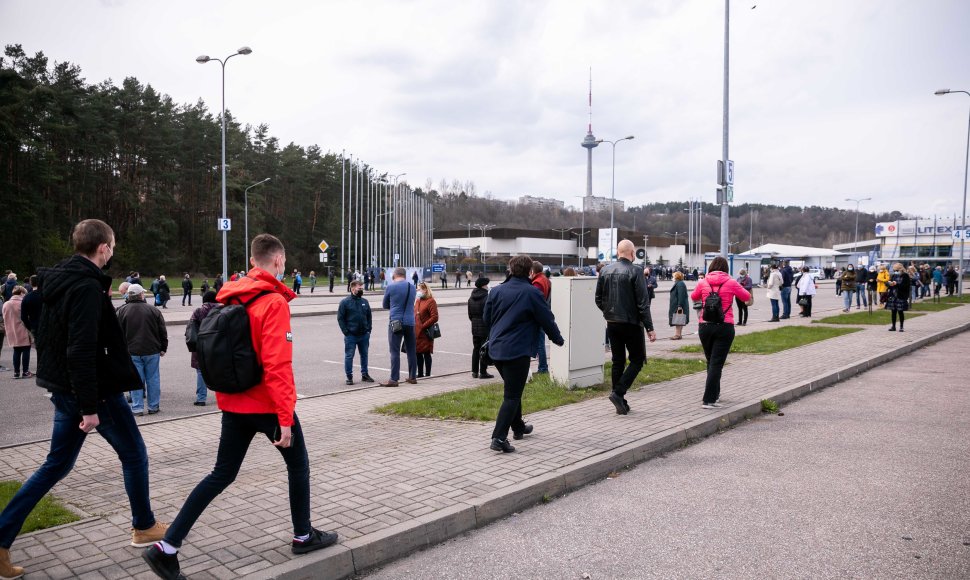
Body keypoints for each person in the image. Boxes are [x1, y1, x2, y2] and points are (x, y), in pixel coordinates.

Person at [142, 233, 337, 579]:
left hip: (233, 404)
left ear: (252, 262)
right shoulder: (272, 303)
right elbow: (277, 366)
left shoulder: (229, 296)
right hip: (266, 404)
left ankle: (167, 547)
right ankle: (303, 536)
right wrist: (285, 419)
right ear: (278, 262)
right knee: (299, 467)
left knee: (221, 474)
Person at [0, 220, 167, 580]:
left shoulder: (57, 280)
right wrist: (90, 408)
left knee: (56, 465)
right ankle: (144, 525)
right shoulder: (86, 288)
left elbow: (40, 321)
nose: (113, 252)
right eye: (113, 246)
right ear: (103, 248)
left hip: (64, 388)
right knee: (134, 454)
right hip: (92, 394)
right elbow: (81, 348)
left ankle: (1, 538)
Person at [483, 255, 564, 453]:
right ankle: (498, 438)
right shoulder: (531, 292)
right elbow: (547, 319)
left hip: (496, 350)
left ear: (510, 269)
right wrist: (558, 339)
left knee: (513, 389)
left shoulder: (496, 290)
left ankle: (518, 427)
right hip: (516, 351)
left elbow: (487, 318)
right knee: (511, 395)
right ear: (530, 271)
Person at [595, 239, 657, 415]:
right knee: (637, 360)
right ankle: (618, 393)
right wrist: (650, 328)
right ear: (632, 253)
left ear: (618, 252)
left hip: (612, 323)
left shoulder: (605, 270)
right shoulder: (636, 271)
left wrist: (608, 312)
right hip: (631, 323)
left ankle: (619, 401)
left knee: (618, 361)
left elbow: (598, 298)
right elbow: (643, 303)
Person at [690, 256, 751, 409]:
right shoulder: (731, 282)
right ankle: (708, 399)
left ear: (711, 267)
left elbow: (693, 296)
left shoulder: (703, 282)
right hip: (724, 326)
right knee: (716, 364)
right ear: (726, 268)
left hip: (705, 326)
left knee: (711, 362)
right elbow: (746, 297)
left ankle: (715, 395)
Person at [117, 283, 168, 415]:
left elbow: (117, 334)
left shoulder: (122, 311)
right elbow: (162, 331)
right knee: (153, 379)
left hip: (132, 351)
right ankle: (153, 406)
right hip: (152, 350)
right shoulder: (154, 310)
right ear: (140, 295)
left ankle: (137, 407)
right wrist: (163, 347)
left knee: (135, 380)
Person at [380, 267, 417, 387]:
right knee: (411, 350)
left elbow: (385, 305)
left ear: (394, 275)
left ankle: (394, 379)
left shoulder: (391, 287)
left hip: (396, 322)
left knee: (394, 351)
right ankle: (412, 377)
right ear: (404, 275)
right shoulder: (412, 287)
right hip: (410, 322)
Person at [337, 280, 373, 385]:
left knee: (364, 355)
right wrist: (346, 332)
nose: (361, 290)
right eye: (359, 288)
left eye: (362, 288)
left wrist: (368, 330)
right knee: (349, 356)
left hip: (364, 335)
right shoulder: (345, 302)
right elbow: (340, 318)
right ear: (353, 289)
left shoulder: (365, 302)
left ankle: (365, 374)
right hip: (351, 335)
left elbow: (369, 316)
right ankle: (349, 376)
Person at [188, 291, 220, 405]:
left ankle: (201, 398)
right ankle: (221, 396)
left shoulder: (198, 311)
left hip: (201, 345)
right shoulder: (221, 311)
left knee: (201, 372)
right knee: (218, 371)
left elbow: (190, 328)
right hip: (217, 345)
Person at [468, 277, 494, 379]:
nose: (488, 286)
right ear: (484, 285)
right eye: (487, 285)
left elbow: (470, 314)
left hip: (474, 326)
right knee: (484, 348)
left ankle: (474, 371)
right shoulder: (486, 297)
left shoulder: (471, 298)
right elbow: (489, 314)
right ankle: (483, 372)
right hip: (484, 326)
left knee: (476, 348)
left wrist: (474, 321)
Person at [2, 286, 31, 378]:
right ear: (22, 293)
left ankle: (16, 372)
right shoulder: (23, 302)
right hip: (23, 329)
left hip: (11, 330)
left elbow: (4, 317)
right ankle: (25, 371)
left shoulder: (6, 304)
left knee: (16, 350)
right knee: (26, 349)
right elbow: (28, 316)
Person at [529, 261, 552, 375]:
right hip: (543, 314)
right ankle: (543, 367)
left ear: (533, 271)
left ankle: (543, 368)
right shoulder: (545, 279)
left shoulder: (537, 282)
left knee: (539, 343)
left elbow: (535, 301)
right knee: (540, 342)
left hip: (538, 317)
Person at [414, 282, 439, 377]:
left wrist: (423, 326)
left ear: (425, 290)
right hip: (417, 332)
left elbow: (435, 317)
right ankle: (420, 374)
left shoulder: (431, 301)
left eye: (419, 289)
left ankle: (428, 374)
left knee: (426, 353)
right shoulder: (418, 300)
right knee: (418, 354)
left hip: (426, 332)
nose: (417, 291)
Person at [887, 262, 911, 332]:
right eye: (894, 270)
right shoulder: (894, 275)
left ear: (900, 269)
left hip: (901, 295)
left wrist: (896, 284)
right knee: (893, 312)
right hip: (893, 296)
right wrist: (889, 284)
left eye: (896, 270)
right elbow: (888, 283)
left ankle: (901, 327)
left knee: (900, 311)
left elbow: (904, 286)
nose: (895, 272)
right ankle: (893, 326)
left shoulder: (905, 276)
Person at [668, 271, 690, 339]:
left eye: (674, 276)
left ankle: (677, 335)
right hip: (677, 305)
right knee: (679, 319)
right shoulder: (678, 283)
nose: (673, 277)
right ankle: (679, 334)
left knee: (678, 320)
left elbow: (681, 295)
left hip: (679, 305)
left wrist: (679, 306)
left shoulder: (680, 284)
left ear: (677, 276)